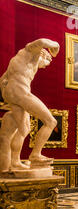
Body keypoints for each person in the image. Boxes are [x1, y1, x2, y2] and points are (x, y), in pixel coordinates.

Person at [0, 38, 60, 173]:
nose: (46, 65)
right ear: (42, 55)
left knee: (23, 129)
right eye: (47, 61)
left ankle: (15, 162)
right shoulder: (29, 53)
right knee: (51, 121)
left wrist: (6, 94)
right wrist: (55, 46)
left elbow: (3, 80)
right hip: (19, 91)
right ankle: (35, 154)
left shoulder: (22, 62)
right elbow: (41, 42)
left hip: (13, 93)